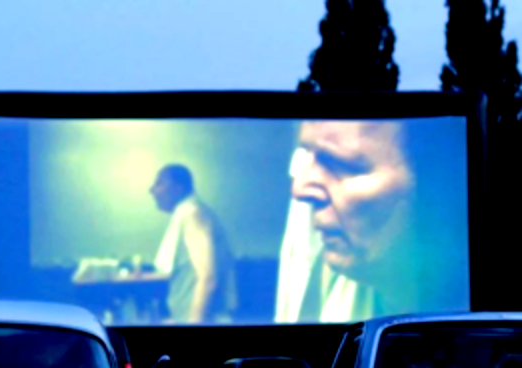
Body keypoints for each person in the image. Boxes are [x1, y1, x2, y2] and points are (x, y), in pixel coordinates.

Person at [275, 119, 469, 323]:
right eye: (305, 155)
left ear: (436, 187)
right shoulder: (323, 278)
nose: (298, 189)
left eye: (342, 165)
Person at [147, 164, 236, 324]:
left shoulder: (192, 213)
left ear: (177, 188)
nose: (152, 190)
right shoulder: (185, 212)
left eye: (159, 183)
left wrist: (193, 325)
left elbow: (208, 278)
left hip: (201, 321)